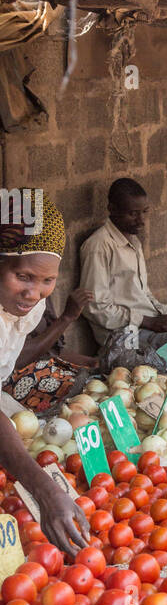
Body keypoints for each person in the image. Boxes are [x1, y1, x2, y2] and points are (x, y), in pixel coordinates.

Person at [0, 195, 91, 556]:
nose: (33, 293)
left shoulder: (26, 307)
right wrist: (43, 488)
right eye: (23, 276)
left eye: (47, 281)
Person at [79, 179, 167, 349]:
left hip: (145, 325)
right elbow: (94, 307)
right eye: (133, 213)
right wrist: (147, 321)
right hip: (121, 335)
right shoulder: (99, 246)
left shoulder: (133, 241)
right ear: (112, 209)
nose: (142, 220)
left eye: (145, 212)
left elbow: (144, 294)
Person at [5, 288, 97, 412]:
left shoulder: (42, 291)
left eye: (49, 280)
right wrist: (67, 317)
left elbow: (51, 348)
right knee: (76, 398)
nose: (37, 286)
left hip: (44, 366)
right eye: (23, 276)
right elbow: (15, 359)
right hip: (10, 376)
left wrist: (89, 362)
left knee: (95, 384)